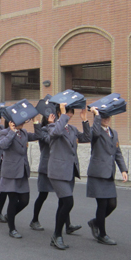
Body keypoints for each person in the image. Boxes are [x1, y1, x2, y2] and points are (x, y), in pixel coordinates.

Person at [46, 106, 91, 250]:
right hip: (57, 172)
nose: (70, 115)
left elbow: (87, 137)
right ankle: (56, 235)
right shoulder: (52, 126)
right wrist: (63, 114)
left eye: (71, 112)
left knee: (63, 203)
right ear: (60, 113)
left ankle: (57, 234)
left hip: (69, 171)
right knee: (68, 202)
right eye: (68, 112)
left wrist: (85, 120)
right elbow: (56, 133)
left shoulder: (71, 129)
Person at [86, 108, 128, 245]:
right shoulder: (94, 131)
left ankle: (95, 222)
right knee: (102, 204)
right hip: (98, 173)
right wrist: (96, 116)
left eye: (108, 117)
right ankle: (102, 235)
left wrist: (123, 169)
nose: (106, 119)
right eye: (103, 117)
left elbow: (117, 152)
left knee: (112, 204)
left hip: (109, 173)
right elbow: (96, 133)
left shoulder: (113, 133)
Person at [0, 112, 41, 239]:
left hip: (22, 171)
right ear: (11, 122)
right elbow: (3, 145)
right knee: (12, 200)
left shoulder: (24, 133)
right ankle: (12, 228)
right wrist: (12, 131)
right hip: (11, 172)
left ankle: (9, 215)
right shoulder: (4, 132)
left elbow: (39, 135)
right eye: (19, 121)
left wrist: (35, 122)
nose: (22, 123)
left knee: (24, 201)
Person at [29, 112, 55, 230]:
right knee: (43, 195)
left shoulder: (58, 129)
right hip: (46, 167)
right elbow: (50, 140)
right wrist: (51, 125)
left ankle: (68, 224)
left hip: (57, 168)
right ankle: (34, 220)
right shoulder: (43, 130)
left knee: (64, 197)